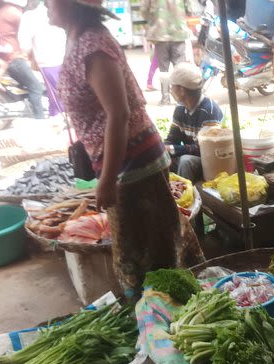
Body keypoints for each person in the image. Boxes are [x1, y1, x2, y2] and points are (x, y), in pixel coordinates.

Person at [48, 0, 204, 296]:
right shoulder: (77, 39)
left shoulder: (94, 46)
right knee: (149, 244)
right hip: (121, 162)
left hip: (133, 166)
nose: (45, 4)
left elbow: (117, 114)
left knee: (148, 252)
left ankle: (165, 313)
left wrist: (107, 180)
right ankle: (158, 312)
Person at [164, 63, 223, 183]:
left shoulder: (209, 110)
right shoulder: (180, 109)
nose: (170, 90)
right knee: (160, 158)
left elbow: (203, 149)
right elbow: (172, 138)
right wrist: (163, 149)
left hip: (210, 160)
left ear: (181, 90)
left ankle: (186, 196)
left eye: (172, 86)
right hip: (190, 155)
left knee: (186, 161)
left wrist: (171, 148)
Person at [0, 0, 45, 119]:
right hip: (15, 58)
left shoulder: (4, 10)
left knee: (31, 85)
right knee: (36, 87)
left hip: (11, 57)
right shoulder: (13, 12)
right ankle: (40, 119)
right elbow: (31, 25)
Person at [18, 0, 66, 116]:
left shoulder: (30, 16)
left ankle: (62, 126)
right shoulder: (61, 10)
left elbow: (25, 46)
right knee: (60, 96)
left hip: (49, 62)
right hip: (66, 58)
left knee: (57, 99)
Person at [140, 0, 192, 105]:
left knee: (163, 68)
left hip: (160, 33)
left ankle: (165, 98)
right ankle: (181, 99)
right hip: (178, 32)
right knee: (180, 67)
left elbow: (144, 10)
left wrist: (153, 20)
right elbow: (189, 9)